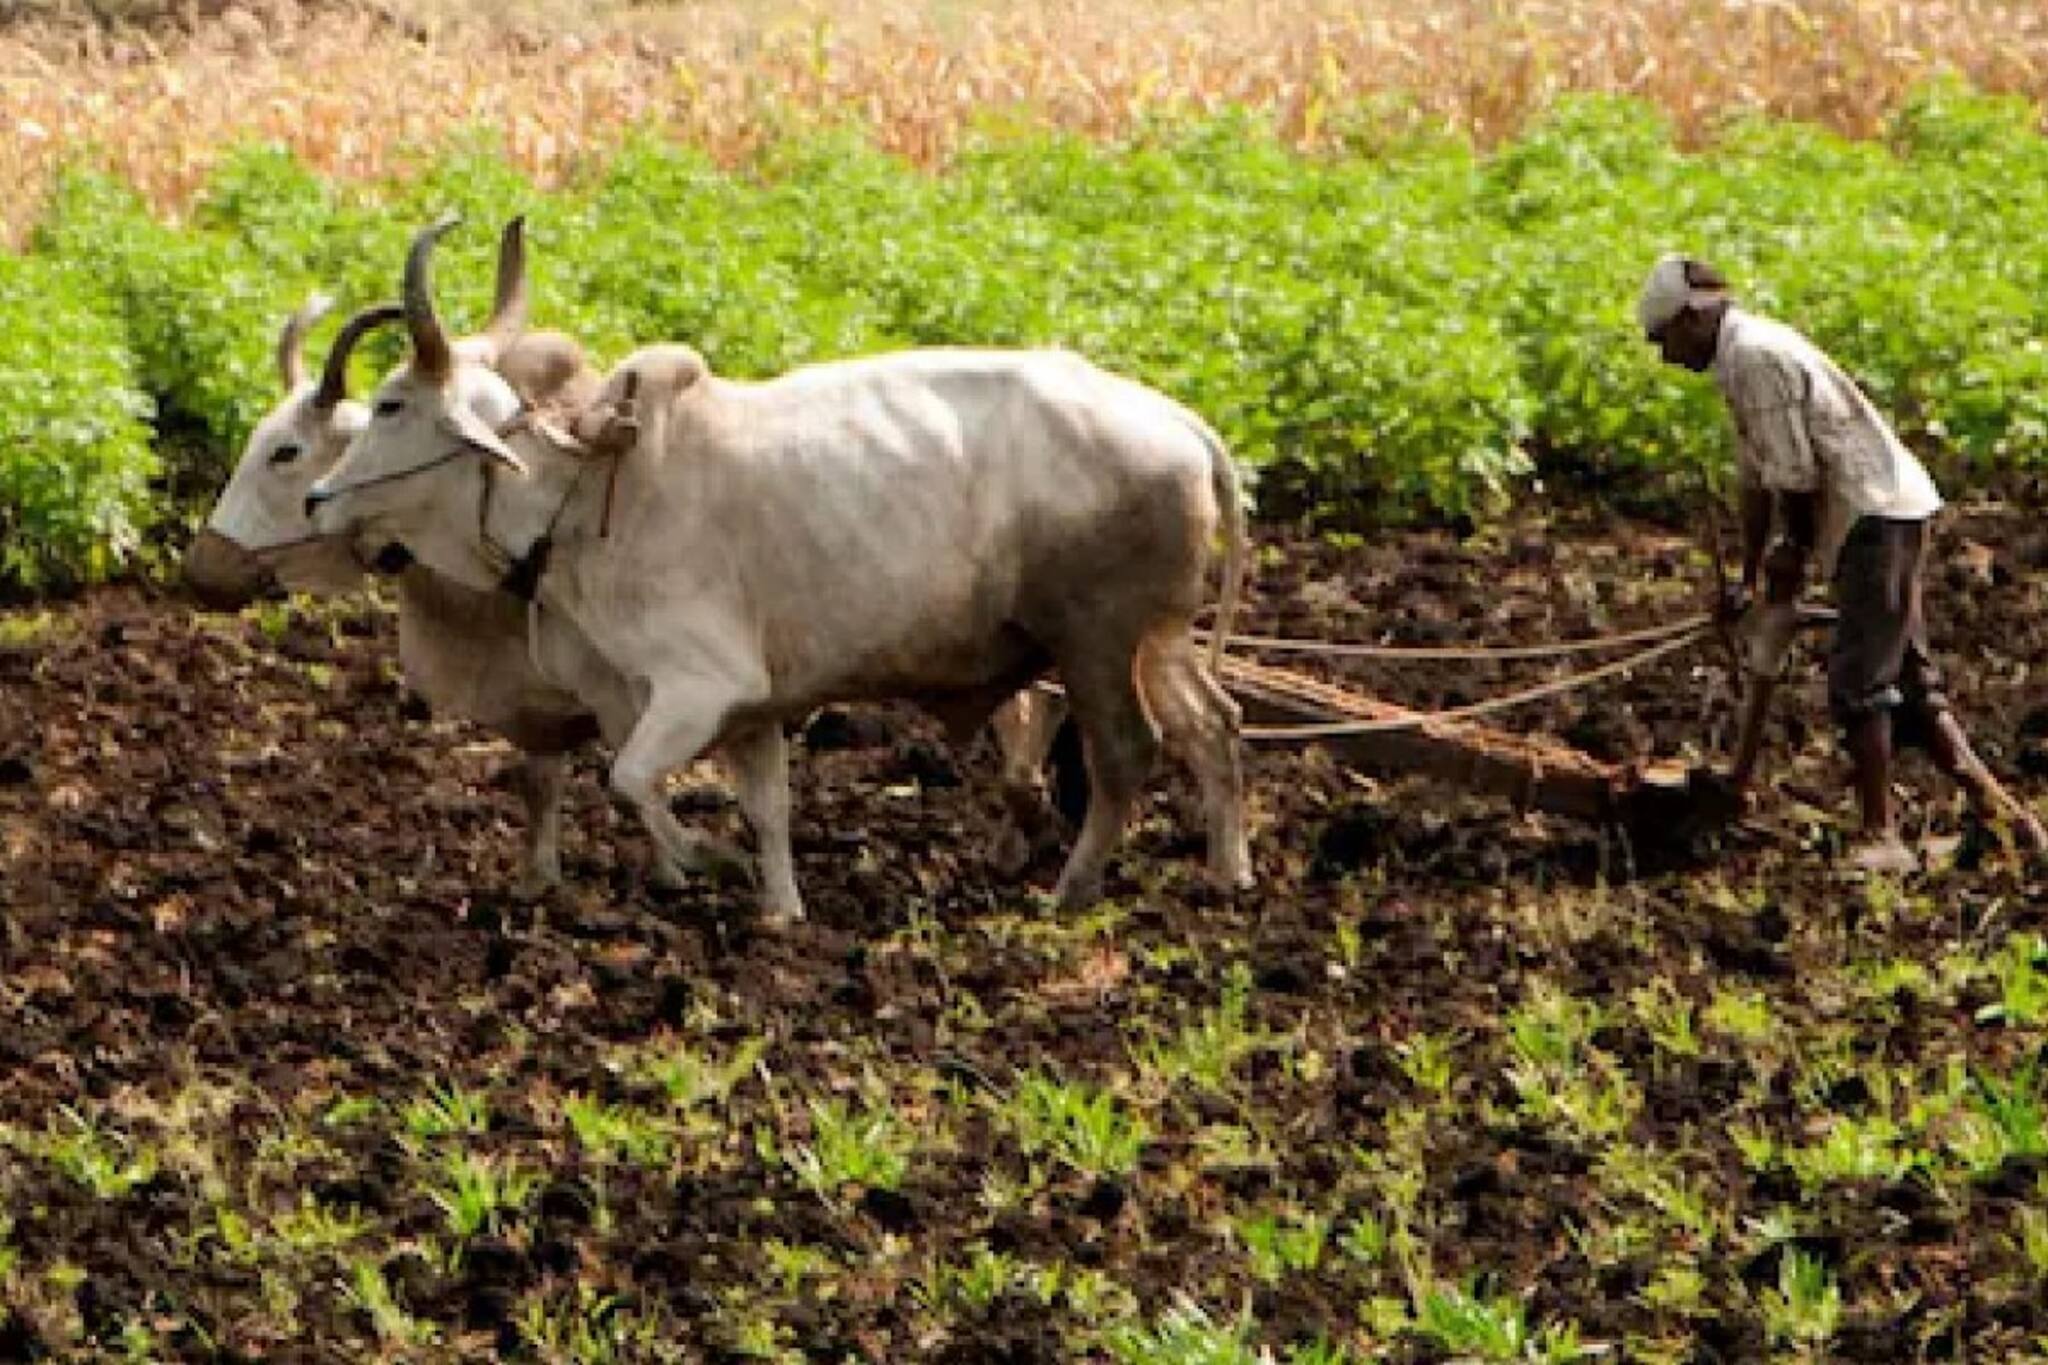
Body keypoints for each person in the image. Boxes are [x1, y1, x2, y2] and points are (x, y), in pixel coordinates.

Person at [1638, 252, 2048, 874]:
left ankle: (1881, 837)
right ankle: (2006, 822)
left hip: (1873, 517)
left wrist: (1791, 554)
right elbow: (1759, 481)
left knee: (1860, 684)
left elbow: (1796, 478)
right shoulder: (1738, 360)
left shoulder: (1754, 356)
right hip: (1882, 514)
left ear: (1693, 319)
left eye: (1664, 339)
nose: (1665, 357)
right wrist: (1748, 576)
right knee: (1911, 684)